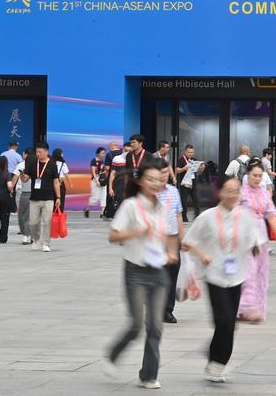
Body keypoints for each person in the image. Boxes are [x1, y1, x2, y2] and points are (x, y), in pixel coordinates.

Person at [103, 161, 179, 390]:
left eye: (159, 179)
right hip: (135, 271)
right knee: (136, 325)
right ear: (140, 181)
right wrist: (135, 232)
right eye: (150, 179)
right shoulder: (130, 206)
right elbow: (113, 236)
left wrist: (171, 253)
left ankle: (148, 375)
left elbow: (170, 234)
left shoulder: (162, 208)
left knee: (155, 326)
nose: (156, 183)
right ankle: (113, 354)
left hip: (158, 272)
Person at [183, 176, 262, 383]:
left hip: (237, 275)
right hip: (214, 275)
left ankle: (216, 362)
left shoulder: (245, 216)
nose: (233, 195)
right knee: (224, 320)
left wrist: (256, 247)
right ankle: (216, 358)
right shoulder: (207, 217)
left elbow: (255, 239)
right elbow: (188, 243)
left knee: (229, 323)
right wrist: (202, 256)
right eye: (229, 191)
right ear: (219, 193)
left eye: (236, 191)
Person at [237, 160, 276, 322]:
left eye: (259, 176)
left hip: (261, 237)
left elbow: (271, 215)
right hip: (244, 236)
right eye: (254, 175)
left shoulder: (264, 194)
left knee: (261, 272)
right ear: (247, 175)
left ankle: (257, 307)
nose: (257, 179)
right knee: (249, 271)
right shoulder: (241, 193)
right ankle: (246, 308)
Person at [155, 160, 185, 325]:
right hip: (155, 241)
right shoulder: (149, 193)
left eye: (166, 172)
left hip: (173, 240)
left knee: (172, 275)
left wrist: (182, 238)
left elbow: (178, 215)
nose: (164, 176)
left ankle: (168, 310)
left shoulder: (173, 191)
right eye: (160, 173)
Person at [26, 142, 60, 252]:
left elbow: (56, 182)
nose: (37, 154)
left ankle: (46, 243)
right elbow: (26, 178)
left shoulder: (52, 165)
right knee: (33, 222)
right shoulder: (32, 163)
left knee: (47, 221)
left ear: (46, 152)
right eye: (36, 152)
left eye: (39, 152)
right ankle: (36, 239)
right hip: (34, 198)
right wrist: (23, 177)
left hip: (48, 198)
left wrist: (58, 197)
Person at [176, 144, 204, 222]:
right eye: (189, 152)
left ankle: (197, 216)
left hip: (193, 183)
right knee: (184, 202)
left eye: (192, 152)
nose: (190, 154)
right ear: (185, 152)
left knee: (196, 200)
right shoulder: (181, 160)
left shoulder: (194, 160)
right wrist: (184, 168)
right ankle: (184, 218)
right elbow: (177, 170)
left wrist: (202, 168)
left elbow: (199, 171)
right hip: (184, 184)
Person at [11, 148, 33, 244]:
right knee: (31, 214)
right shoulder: (36, 165)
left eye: (23, 153)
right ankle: (30, 234)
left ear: (26, 154)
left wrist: (11, 188)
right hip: (34, 192)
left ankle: (25, 233)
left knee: (23, 213)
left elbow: (15, 177)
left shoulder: (21, 165)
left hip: (22, 191)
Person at [0, 157, 13, 243]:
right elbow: (9, 185)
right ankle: (2, 238)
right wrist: (11, 191)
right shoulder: (6, 174)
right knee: (5, 218)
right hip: (4, 197)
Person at [85, 147, 107, 218]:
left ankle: (102, 212)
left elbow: (104, 171)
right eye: (102, 153)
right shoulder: (94, 160)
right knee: (95, 197)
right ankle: (87, 209)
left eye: (104, 153)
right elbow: (93, 172)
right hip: (95, 180)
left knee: (104, 196)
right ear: (98, 153)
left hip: (103, 180)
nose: (104, 155)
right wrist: (96, 181)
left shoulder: (103, 161)